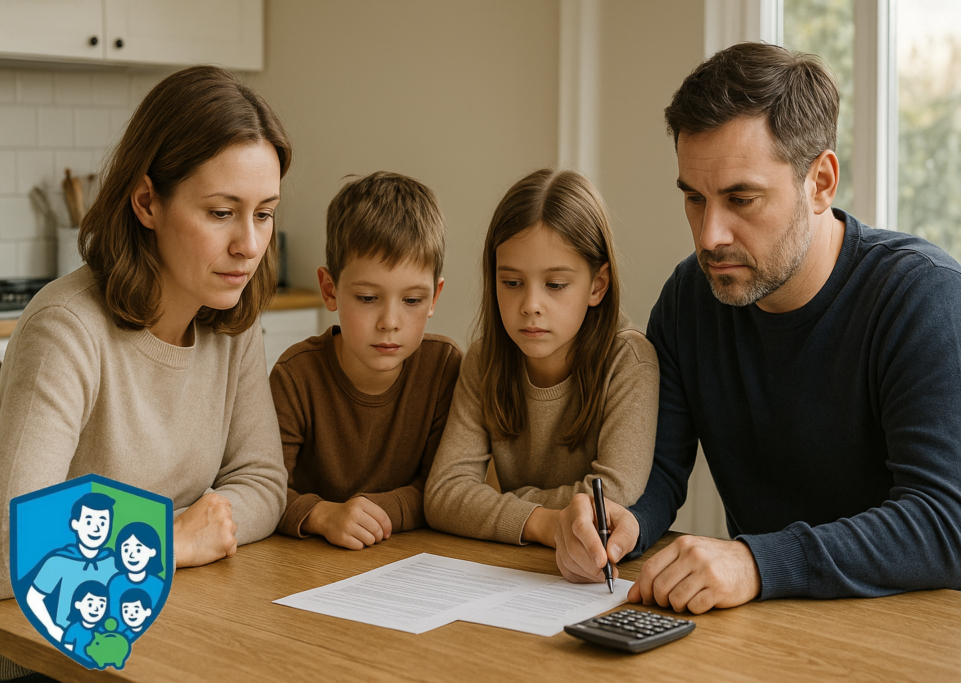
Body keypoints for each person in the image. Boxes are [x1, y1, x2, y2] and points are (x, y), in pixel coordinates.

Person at [553, 42, 961, 610]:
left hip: (944, 631)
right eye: (695, 199)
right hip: (784, 621)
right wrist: (621, 522)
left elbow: (945, 530)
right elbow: (660, 473)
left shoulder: (922, 294)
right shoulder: (689, 298)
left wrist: (756, 561)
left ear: (820, 182)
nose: (709, 235)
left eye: (741, 198)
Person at [0, 65, 291, 679]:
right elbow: (10, 549)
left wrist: (183, 535)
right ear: (146, 202)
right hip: (52, 659)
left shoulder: (231, 318)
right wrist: (169, 540)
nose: (249, 245)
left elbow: (263, 483)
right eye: (220, 212)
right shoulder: (67, 330)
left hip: (176, 627)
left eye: (264, 214)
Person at [424, 168, 659, 547]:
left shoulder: (629, 361)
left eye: (555, 285)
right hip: (518, 564)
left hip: (594, 566)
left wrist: (499, 506)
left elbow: (613, 493)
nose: (530, 305)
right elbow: (444, 495)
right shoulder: (484, 360)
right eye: (512, 282)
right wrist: (544, 523)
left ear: (597, 285)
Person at [272, 172, 461, 549]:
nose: (390, 322)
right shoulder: (295, 376)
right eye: (368, 298)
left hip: (409, 561)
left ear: (435, 298)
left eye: (412, 301)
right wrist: (323, 515)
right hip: (306, 563)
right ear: (330, 290)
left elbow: (445, 489)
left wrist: (377, 512)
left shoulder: (445, 368)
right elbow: (267, 490)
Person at [25, 494, 117, 644]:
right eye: (89, 521)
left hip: (105, 637)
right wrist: (51, 627)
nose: (96, 528)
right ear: (75, 524)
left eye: (103, 522)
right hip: (67, 637)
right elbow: (33, 597)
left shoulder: (114, 562)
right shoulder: (58, 561)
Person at [106, 522, 165, 630]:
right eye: (126, 549)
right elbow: (113, 615)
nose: (132, 555)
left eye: (138, 549)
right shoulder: (115, 582)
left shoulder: (158, 584)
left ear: (152, 551)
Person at [60, 581, 108, 663]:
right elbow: (66, 652)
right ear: (78, 604)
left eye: (101, 605)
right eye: (90, 604)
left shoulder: (103, 630)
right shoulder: (73, 629)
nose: (96, 609)